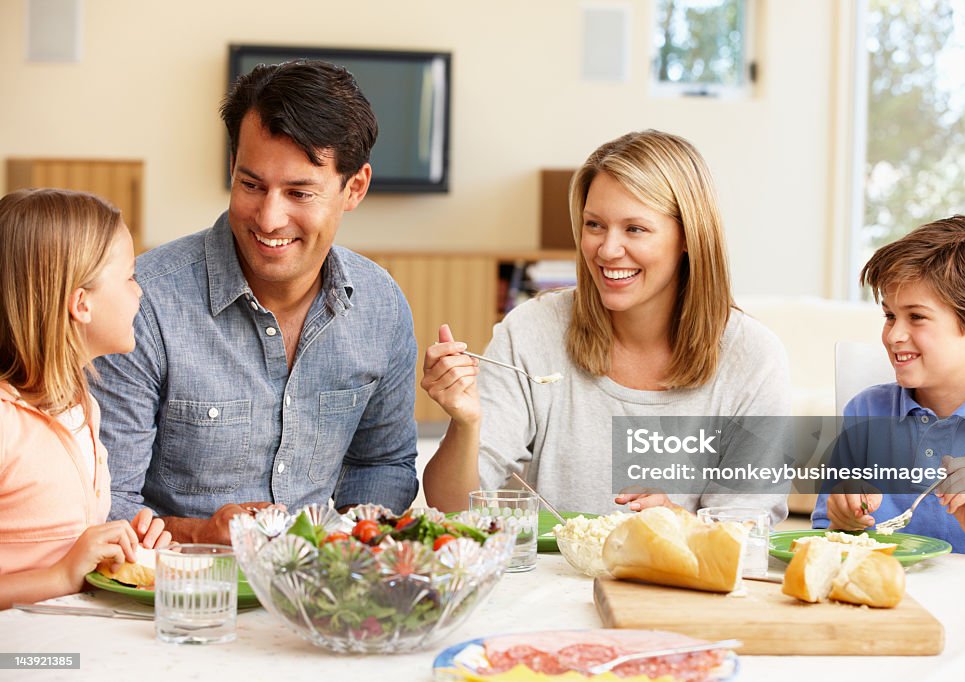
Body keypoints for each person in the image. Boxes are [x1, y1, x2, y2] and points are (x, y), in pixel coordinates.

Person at [92, 60, 419, 545]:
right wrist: (201, 532)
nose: (268, 218)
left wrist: (351, 538)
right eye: (251, 185)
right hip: (173, 591)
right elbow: (105, 501)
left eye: (299, 192)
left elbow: (384, 461)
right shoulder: (146, 303)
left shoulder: (380, 304)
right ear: (232, 168)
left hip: (314, 588)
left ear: (355, 187)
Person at [421, 130, 791, 519]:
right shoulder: (531, 330)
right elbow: (450, 507)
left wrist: (679, 524)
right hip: (553, 577)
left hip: (678, 582)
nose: (607, 250)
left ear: (688, 236)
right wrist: (466, 424)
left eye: (635, 229)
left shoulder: (753, 357)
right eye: (595, 225)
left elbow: (746, 533)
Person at [0, 188, 172, 609]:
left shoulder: (82, 408)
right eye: (130, 277)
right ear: (82, 304)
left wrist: (125, 536)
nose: (140, 293)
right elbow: (63, 566)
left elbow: (69, 540)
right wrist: (61, 575)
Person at [812, 216, 965, 557]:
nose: (893, 335)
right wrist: (841, 521)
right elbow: (824, 537)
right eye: (890, 316)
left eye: (917, 317)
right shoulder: (865, 411)